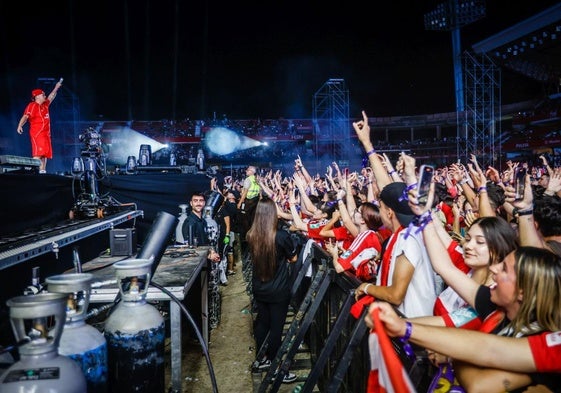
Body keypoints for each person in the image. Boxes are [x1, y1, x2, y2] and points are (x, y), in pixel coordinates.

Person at [246, 198, 298, 384]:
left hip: (260, 288)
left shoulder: (251, 235)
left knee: (263, 323)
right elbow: (293, 258)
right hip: (278, 290)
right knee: (276, 329)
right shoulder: (281, 236)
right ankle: (276, 369)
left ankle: (262, 359)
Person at [17, 79, 63, 173]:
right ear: (37, 96)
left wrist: (56, 87)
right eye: (43, 95)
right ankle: (33, 171)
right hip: (37, 134)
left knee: (44, 154)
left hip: (46, 135)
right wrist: (20, 126)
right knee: (38, 154)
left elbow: (51, 96)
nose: (44, 96)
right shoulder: (32, 105)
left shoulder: (45, 105)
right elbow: (25, 116)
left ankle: (42, 171)